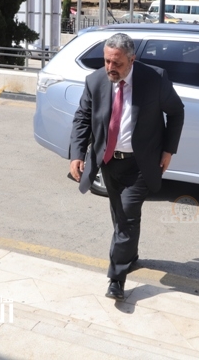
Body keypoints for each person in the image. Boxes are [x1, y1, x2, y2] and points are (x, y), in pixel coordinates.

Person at [69, 33, 185, 300]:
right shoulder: (95, 81)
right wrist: (77, 153)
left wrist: (168, 150)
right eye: (107, 61)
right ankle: (129, 256)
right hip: (109, 162)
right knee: (121, 216)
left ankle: (116, 278)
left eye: (117, 63)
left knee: (127, 216)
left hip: (141, 163)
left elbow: (176, 111)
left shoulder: (154, 79)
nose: (110, 68)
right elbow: (82, 117)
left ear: (132, 60)